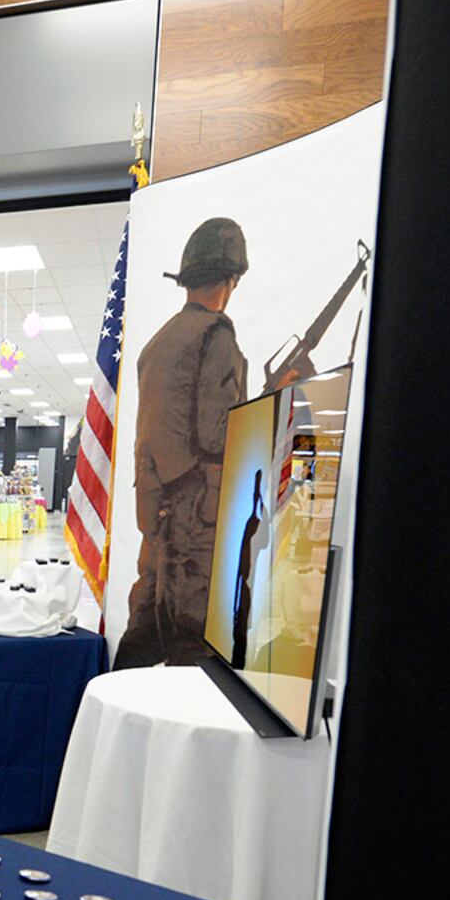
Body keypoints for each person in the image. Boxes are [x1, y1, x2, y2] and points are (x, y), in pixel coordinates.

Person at [114, 217, 250, 669]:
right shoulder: (217, 333)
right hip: (199, 525)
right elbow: (216, 434)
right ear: (230, 281)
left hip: (158, 517)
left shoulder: (156, 344)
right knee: (194, 652)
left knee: (143, 635)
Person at [231, 469, 266, 668]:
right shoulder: (251, 524)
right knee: (241, 627)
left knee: (243, 627)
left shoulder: (255, 524)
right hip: (245, 583)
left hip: (249, 583)